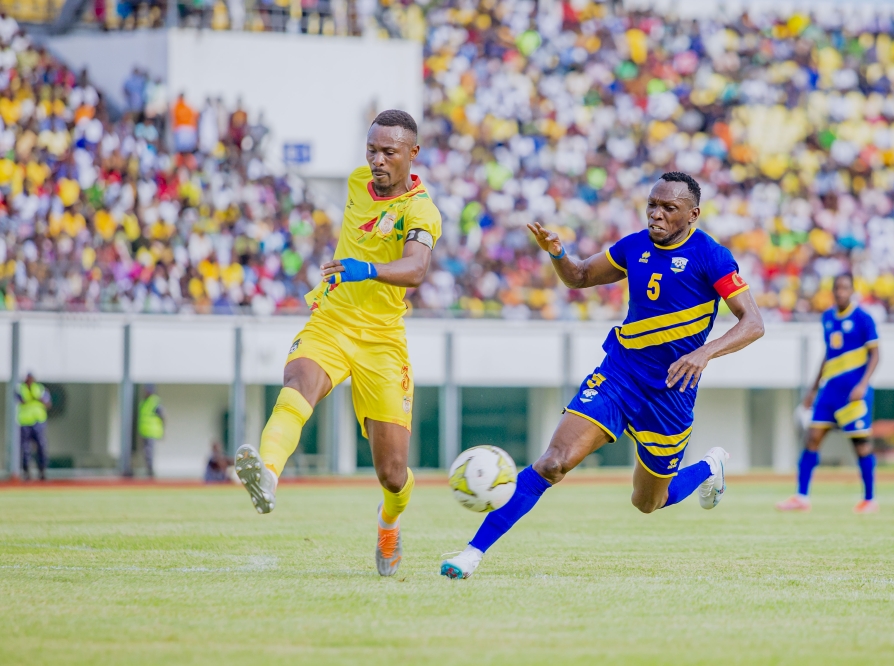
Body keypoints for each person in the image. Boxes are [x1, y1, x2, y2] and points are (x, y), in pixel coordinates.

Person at [441, 172, 766, 579]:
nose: (656, 215)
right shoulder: (634, 247)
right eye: (652, 205)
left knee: (648, 502)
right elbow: (578, 277)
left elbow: (752, 323)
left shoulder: (712, 256)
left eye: (669, 208)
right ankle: (472, 553)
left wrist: (705, 353)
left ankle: (708, 468)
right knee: (553, 464)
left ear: (693, 214)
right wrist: (557, 252)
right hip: (619, 377)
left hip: (671, 394)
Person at [233, 109, 442, 577]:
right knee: (299, 380)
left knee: (392, 473)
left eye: (389, 152)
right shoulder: (355, 182)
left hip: (383, 341)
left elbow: (416, 269)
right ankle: (267, 473)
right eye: (372, 150)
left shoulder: (421, 210)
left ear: (413, 154)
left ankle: (389, 523)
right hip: (332, 318)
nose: (377, 160)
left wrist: (367, 269)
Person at [777, 274, 880, 514]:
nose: (841, 291)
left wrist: (863, 385)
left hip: (853, 392)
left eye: (845, 288)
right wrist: (813, 389)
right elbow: (828, 354)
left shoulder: (863, 318)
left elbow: (875, 355)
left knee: (861, 445)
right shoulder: (828, 317)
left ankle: (869, 499)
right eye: (837, 288)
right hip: (829, 391)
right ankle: (801, 497)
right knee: (812, 438)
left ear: (852, 290)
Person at [17, 372, 51, 481]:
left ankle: (42, 471)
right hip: (25, 422)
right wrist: (34, 398)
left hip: (38, 422)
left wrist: (35, 397)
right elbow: (21, 400)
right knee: (25, 448)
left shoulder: (40, 388)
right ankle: (26, 471)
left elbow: (47, 403)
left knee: (41, 446)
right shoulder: (20, 388)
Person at [137, 384, 165, 478]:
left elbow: (162, 416)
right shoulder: (144, 402)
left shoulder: (154, 402)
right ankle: (148, 470)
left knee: (149, 452)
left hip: (152, 431)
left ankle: (150, 471)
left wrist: (163, 430)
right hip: (144, 431)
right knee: (146, 452)